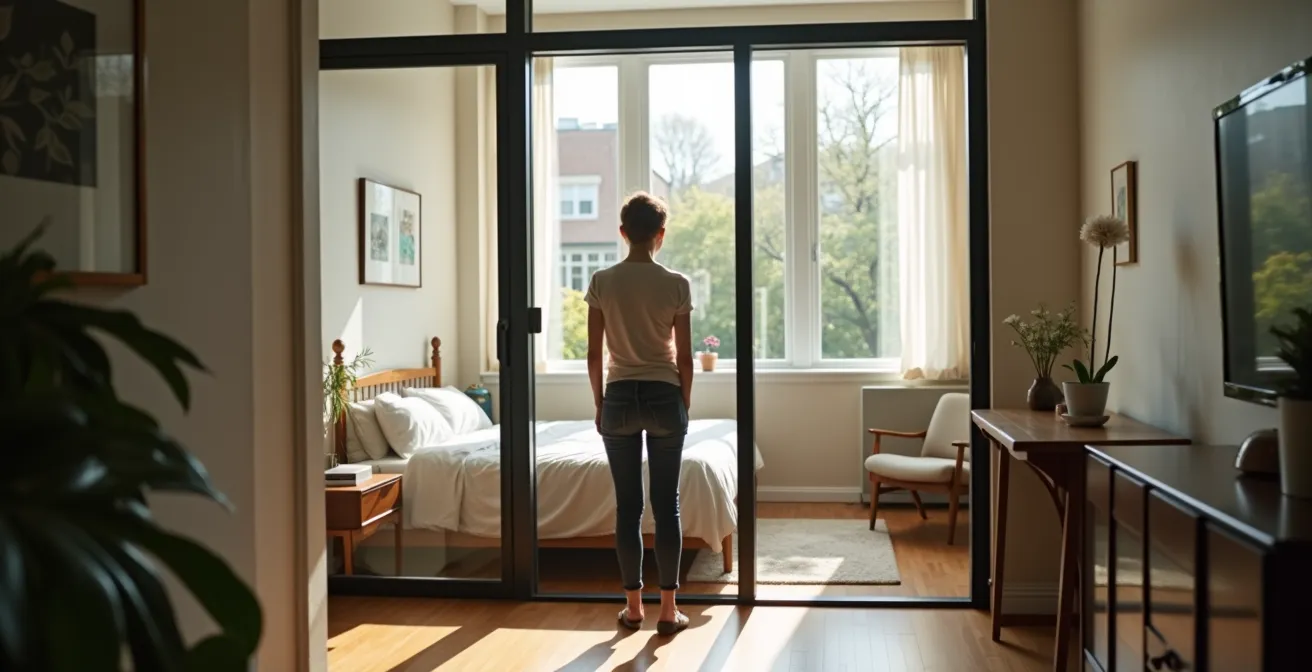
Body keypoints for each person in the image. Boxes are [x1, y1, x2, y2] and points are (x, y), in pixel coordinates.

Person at [585, 191, 695, 636]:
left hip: (619, 397)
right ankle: (669, 610)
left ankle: (633, 608)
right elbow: (685, 358)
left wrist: (600, 402)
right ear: (661, 235)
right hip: (665, 394)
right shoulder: (676, 283)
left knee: (627, 508)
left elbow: (594, 355)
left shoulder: (602, 280)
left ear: (623, 232)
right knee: (665, 506)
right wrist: (682, 402)